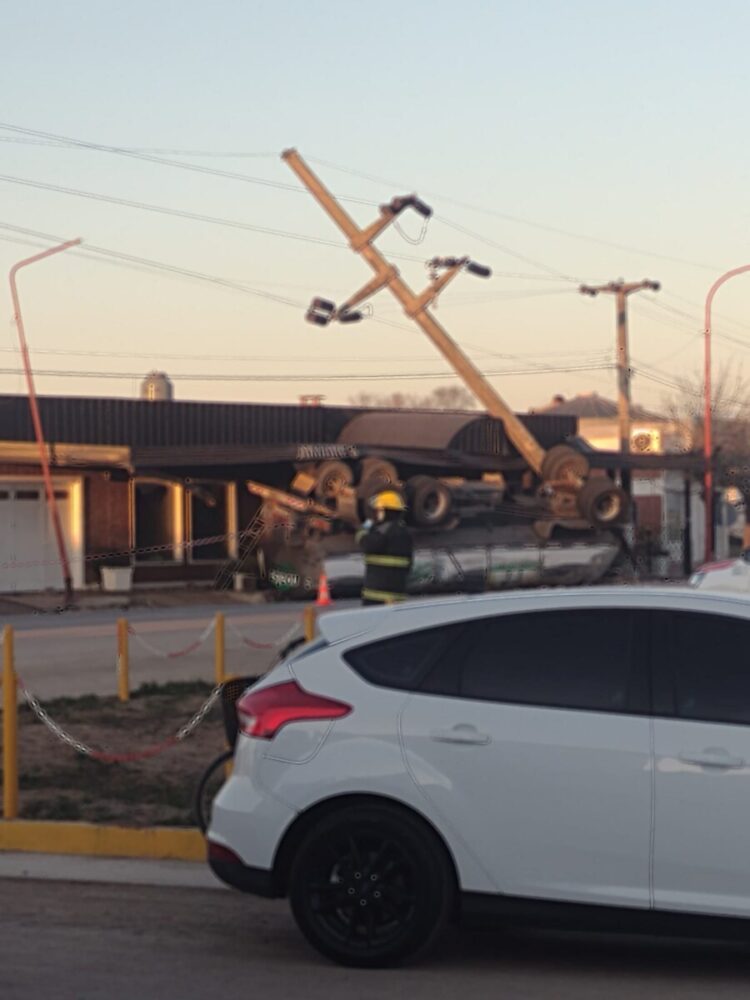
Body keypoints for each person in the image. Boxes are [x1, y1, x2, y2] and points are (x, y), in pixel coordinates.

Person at [357, 490, 414, 606]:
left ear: (385, 511)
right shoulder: (404, 532)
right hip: (397, 595)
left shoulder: (383, 532)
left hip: (376, 597)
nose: (377, 514)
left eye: (378, 510)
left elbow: (366, 543)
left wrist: (363, 528)